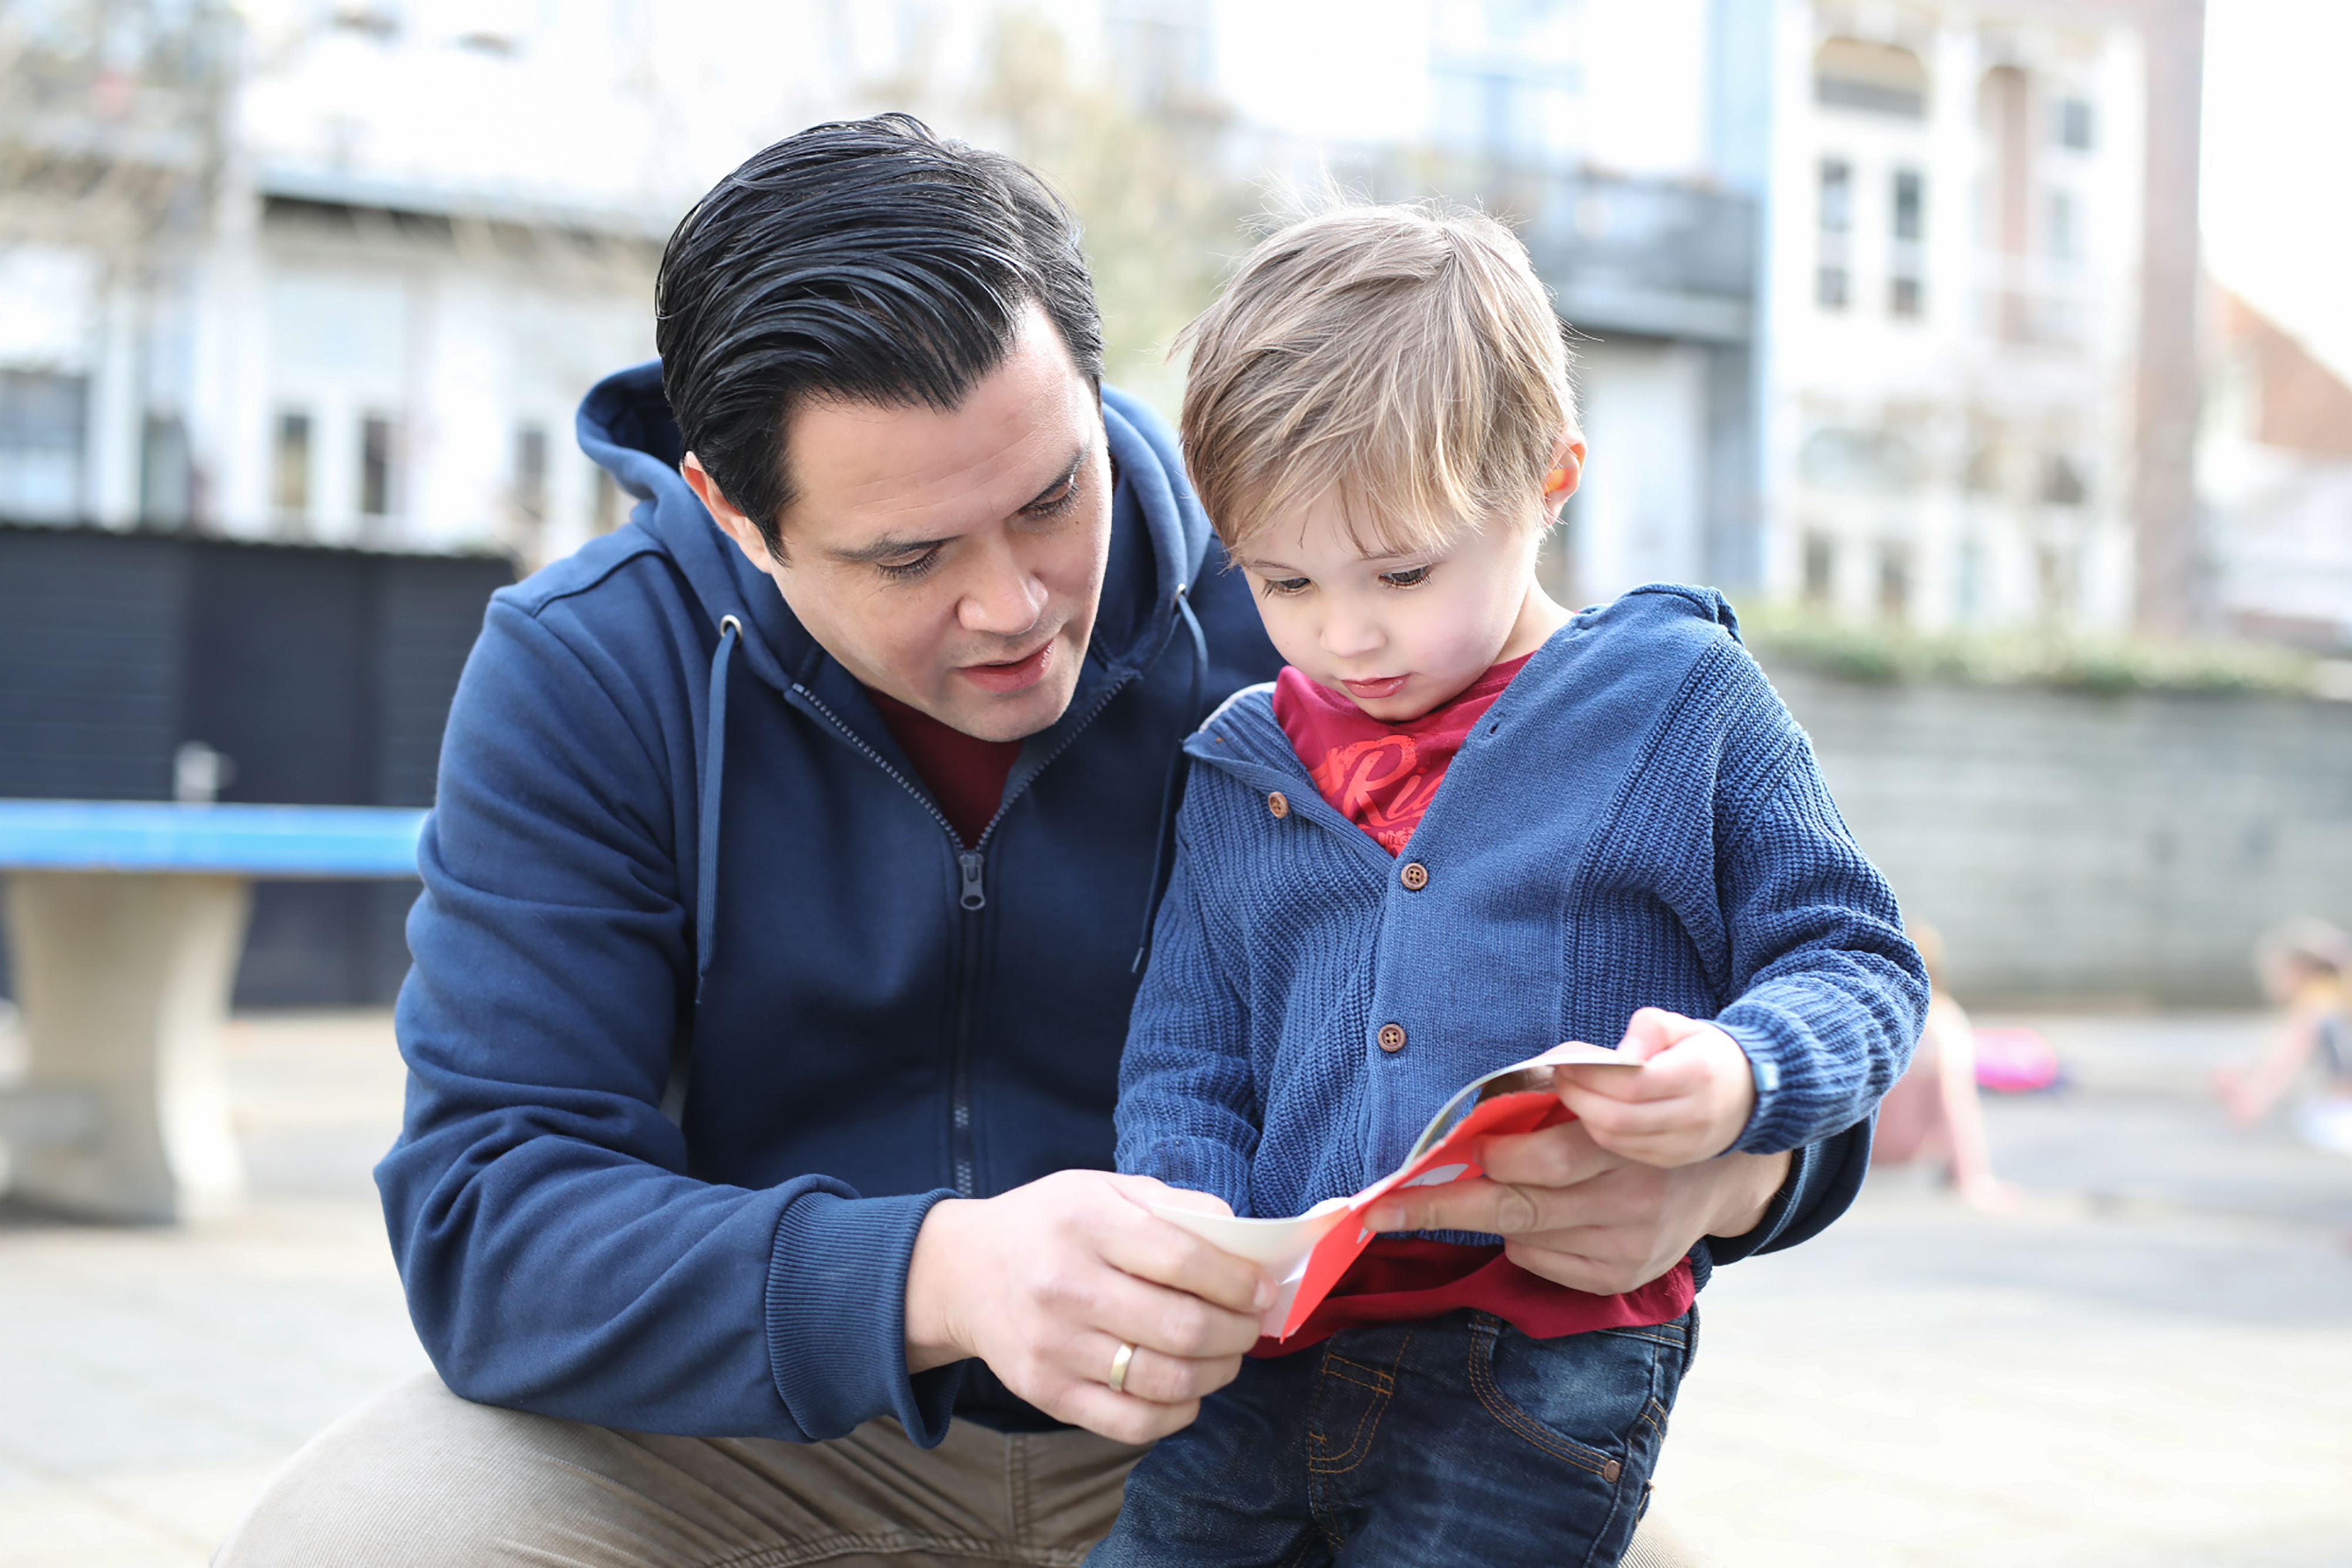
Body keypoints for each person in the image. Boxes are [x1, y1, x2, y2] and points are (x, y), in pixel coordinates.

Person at [215, 118, 1885, 1567]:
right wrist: (938, 1275)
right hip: (767, 1419)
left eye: (1049, 498)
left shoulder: (1307, 598)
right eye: (910, 556)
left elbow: (1760, 958)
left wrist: (1733, 1178)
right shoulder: (592, 669)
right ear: (734, 509)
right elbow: (490, 1224)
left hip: (1278, 1406)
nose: (1013, 605)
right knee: (342, 1543)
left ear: (1093, 388)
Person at [1095, 203, 1926, 1567]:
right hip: (1264, 1361)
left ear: (1548, 481)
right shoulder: (1243, 763)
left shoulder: (1675, 703)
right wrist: (1188, 1218)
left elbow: (1853, 959)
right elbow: (1188, 1052)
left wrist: (1739, 1076)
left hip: (1539, 1366)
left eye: (1403, 571)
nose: (1344, 634)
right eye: (1283, 580)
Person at [1870, 922, 2020, 1211]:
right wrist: (1972, 1179)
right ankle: (1964, 1175)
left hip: (1861, 1151)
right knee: (1949, 1078)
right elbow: (1954, 1104)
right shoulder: (1940, 1021)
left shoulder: (1866, 1011)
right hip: (1910, 1151)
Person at [2213, 917, 2352, 1155]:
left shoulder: (2317, 1001)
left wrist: (2254, 1097)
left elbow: (2288, 1055)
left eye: (2277, 973)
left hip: (2341, 1117)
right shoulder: (2335, 997)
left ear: (2299, 970)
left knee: (2309, 1121)